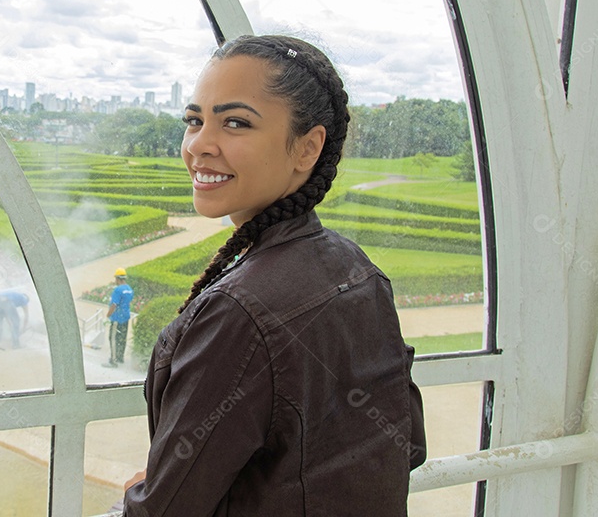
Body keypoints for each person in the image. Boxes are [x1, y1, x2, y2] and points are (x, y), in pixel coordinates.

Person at [121, 35, 425, 515]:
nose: (200, 145)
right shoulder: (359, 270)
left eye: (236, 123)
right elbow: (408, 444)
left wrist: (149, 488)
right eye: (194, 120)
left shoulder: (238, 314)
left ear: (307, 148)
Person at [103, 268, 133, 367]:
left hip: (117, 319)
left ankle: (113, 360)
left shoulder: (118, 290)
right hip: (125, 318)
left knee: (113, 338)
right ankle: (120, 357)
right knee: (122, 338)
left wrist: (108, 315)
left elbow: (114, 305)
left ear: (118, 279)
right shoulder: (129, 289)